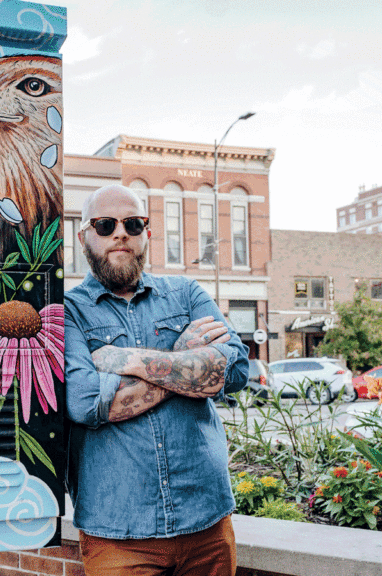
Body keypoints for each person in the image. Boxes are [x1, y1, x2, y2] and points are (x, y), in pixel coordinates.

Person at [64, 184, 250, 576]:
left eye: (133, 223)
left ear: (147, 232)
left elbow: (233, 371)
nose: (121, 233)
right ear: (84, 236)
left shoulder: (186, 294)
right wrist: (185, 358)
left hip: (207, 526)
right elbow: (86, 403)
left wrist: (123, 360)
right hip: (118, 537)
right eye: (105, 224)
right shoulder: (67, 312)